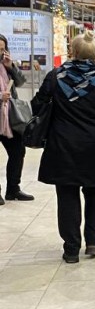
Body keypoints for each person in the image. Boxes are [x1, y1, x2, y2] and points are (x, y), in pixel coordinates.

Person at [31, 33, 95, 263]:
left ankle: (71, 249)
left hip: (63, 144)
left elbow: (37, 104)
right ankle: (93, 242)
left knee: (67, 194)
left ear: (74, 52)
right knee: (94, 192)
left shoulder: (56, 76)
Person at [0, 34, 33, 205]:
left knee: (18, 151)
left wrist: (11, 66)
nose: (0, 52)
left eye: (2, 49)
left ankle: (13, 189)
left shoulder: (6, 65)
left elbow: (20, 82)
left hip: (9, 117)